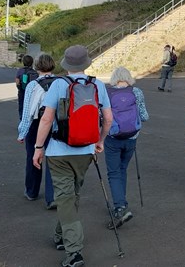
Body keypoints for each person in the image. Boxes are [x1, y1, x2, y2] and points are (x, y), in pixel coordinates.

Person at [32, 45, 113, 267]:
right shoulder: (97, 85)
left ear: (66, 64)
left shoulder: (58, 84)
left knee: (66, 198)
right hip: (86, 151)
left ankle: (74, 252)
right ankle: (60, 237)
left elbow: (47, 119)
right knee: (71, 196)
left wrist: (38, 148)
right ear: (86, 63)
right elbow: (108, 118)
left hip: (59, 152)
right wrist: (100, 141)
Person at [104, 66, 149, 229]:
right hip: (131, 138)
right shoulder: (136, 92)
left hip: (112, 138)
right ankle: (121, 200)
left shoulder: (107, 93)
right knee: (122, 169)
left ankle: (120, 206)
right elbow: (144, 116)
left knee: (113, 172)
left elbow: (103, 118)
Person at [17, 53, 57, 208]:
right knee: (54, 159)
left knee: (34, 157)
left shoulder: (33, 85)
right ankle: (52, 196)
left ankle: (32, 191)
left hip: (36, 123)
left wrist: (22, 132)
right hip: (56, 123)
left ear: (37, 66)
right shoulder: (60, 82)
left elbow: (28, 111)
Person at [15, 54, 38, 119]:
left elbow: (17, 82)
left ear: (23, 62)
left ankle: (22, 120)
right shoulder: (34, 72)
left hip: (22, 91)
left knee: (21, 106)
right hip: (32, 92)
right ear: (32, 62)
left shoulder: (20, 71)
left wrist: (19, 88)